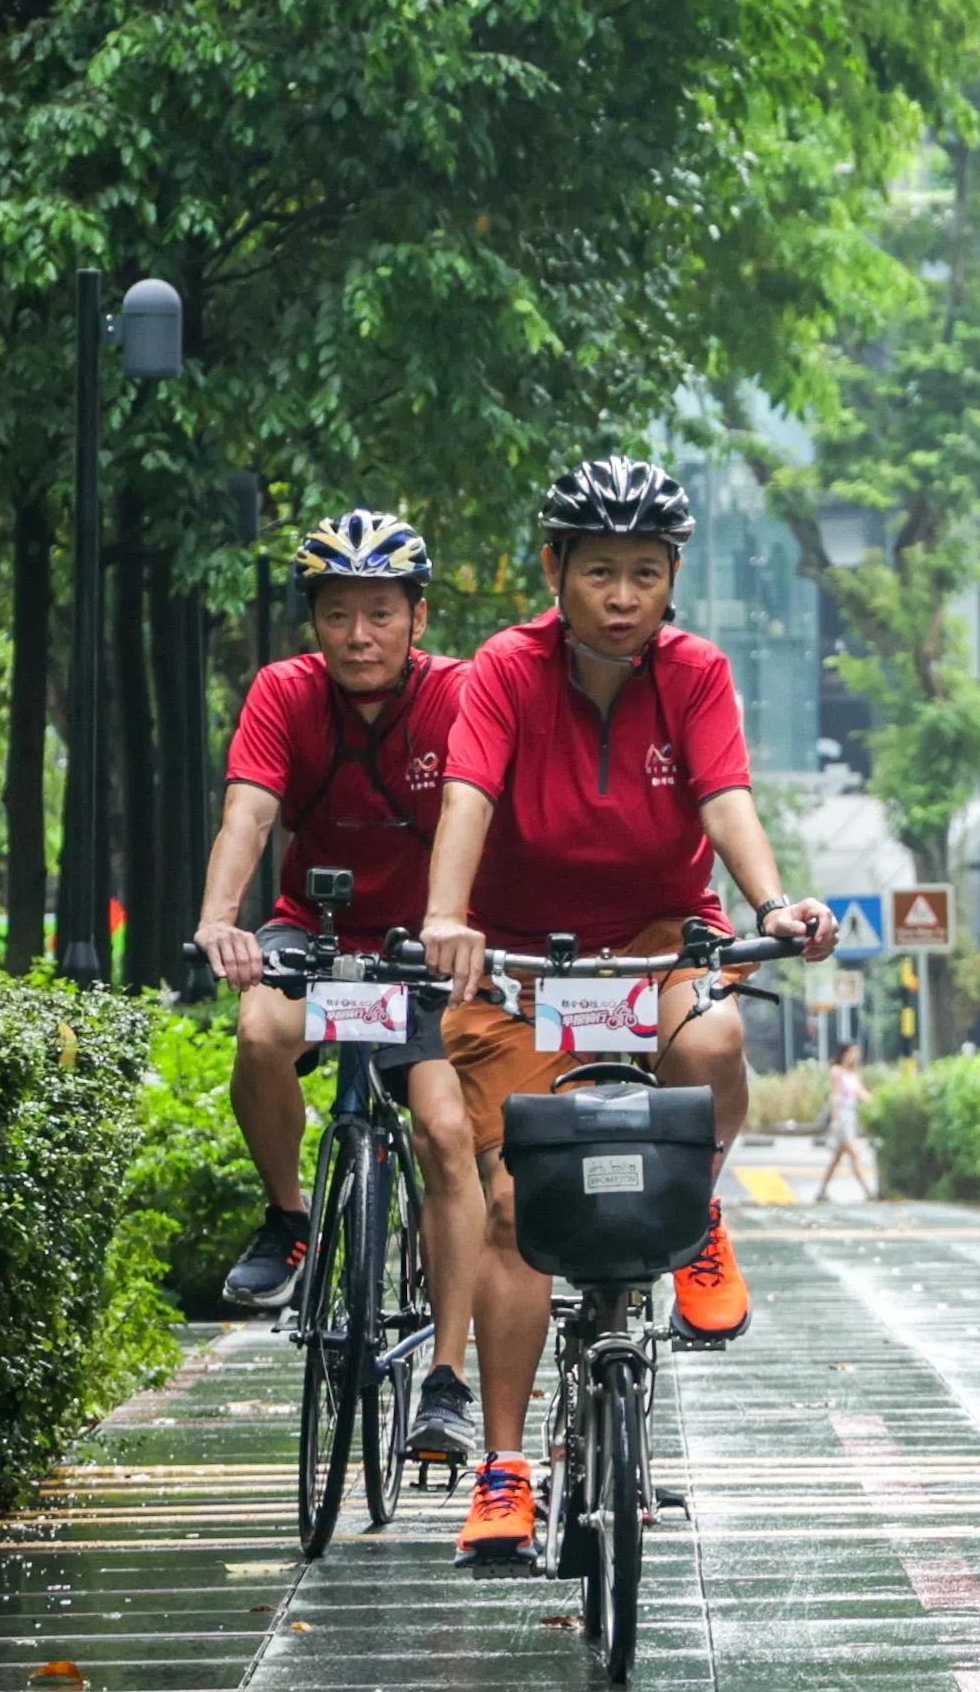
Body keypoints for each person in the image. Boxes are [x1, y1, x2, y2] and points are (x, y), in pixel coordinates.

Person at [417, 456, 841, 1566]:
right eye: (599, 570)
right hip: (518, 966)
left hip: (656, 948)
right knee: (516, 1206)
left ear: (673, 578)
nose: (621, 594)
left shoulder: (695, 673)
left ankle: (695, 1217)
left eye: (644, 573)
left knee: (715, 1036)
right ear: (553, 568)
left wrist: (772, 902)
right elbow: (467, 795)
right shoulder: (503, 671)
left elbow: (725, 796)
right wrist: (446, 916)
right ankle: (504, 1472)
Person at [191, 510, 486, 1469]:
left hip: (422, 951)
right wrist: (218, 919)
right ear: (312, 621)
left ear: (416, 616)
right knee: (260, 1031)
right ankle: (290, 1223)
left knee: (446, 1135)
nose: (359, 635)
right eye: (337, 614)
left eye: (380, 614)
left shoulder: (458, 696)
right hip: (309, 935)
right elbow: (249, 812)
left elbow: (480, 819)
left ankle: (445, 1380)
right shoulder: (283, 691)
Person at [815, 1042, 876, 1203]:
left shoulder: (853, 1073)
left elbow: (861, 1092)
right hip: (842, 1115)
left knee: (836, 1159)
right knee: (855, 1155)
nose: (855, 1056)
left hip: (851, 1115)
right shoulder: (837, 1072)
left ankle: (821, 1191)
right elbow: (835, 1097)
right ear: (845, 1053)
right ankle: (868, 1192)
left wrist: (877, 1103)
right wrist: (835, 1119)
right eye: (852, 1053)